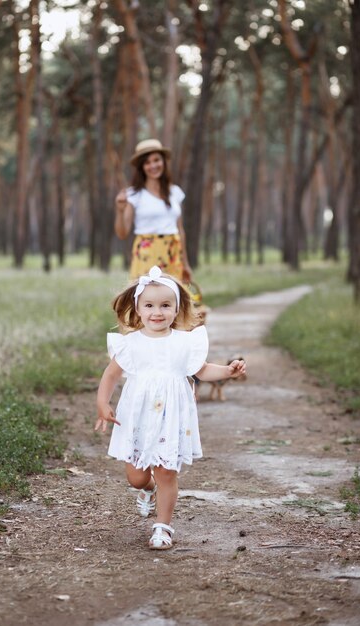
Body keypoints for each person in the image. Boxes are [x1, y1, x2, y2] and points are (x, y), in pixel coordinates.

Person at [94, 265, 246, 550]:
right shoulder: (131, 344)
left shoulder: (184, 343)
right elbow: (111, 375)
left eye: (165, 305)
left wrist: (228, 371)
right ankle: (147, 490)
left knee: (166, 472)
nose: (157, 312)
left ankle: (162, 527)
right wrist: (103, 403)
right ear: (138, 308)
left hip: (171, 417)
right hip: (137, 418)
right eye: (149, 305)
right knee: (137, 477)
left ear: (177, 309)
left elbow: (201, 370)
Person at [114, 138, 193, 283]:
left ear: (163, 161)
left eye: (156, 160)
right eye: (147, 162)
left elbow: (180, 230)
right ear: (141, 167)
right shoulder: (134, 195)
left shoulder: (174, 192)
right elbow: (122, 232)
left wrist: (185, 264)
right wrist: (120, 211)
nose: (153, 166)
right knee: (147, 300)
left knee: (172, 302)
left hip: (172, 253)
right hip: (147, 255)